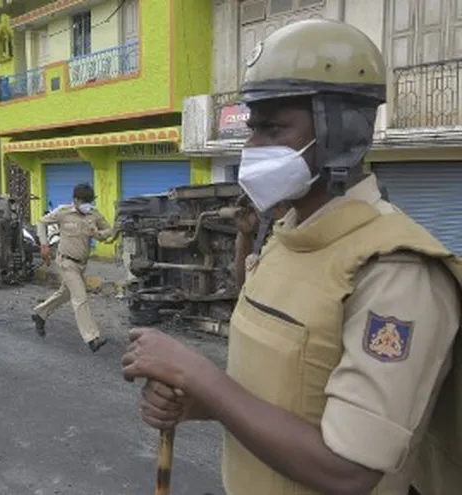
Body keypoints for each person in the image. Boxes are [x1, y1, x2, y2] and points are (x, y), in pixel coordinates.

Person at [121, 19, 462, 495]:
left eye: (273, 129)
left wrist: (195, 373)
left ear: (340, 133)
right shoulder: (283, 238)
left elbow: (348, 471)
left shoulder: (395, 272)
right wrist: (194, 401)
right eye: (253, 129)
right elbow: (274, 398)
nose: (251, 149)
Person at [31, 183, 118, 353]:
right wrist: (44, 245)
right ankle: (92, 337)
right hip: (65, 262)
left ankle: (40, 313)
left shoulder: (94, 215)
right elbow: (41, 222)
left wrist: (101, 233)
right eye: (84, 202)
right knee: (80, 297)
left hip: (81, 264)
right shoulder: (64, 212)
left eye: (90, 202)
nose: (88, 205)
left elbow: (106, 233)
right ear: (75, 200)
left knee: (65, 294)